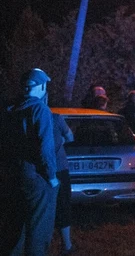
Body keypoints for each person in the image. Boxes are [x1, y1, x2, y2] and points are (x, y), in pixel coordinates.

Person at [0, 68, 60, 256]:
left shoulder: (10, 108)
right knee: (39, 228)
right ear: (41, 86)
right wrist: (51, 177)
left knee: (14, 226)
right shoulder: (40, 109)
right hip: (35, 175)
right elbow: (45, 147)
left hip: (12, 174)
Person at [52, 108, 75, 253]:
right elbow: (70, 137)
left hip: (38, 170)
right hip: (59, 168)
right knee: (63, 205)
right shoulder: (56, 118)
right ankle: (66, 245)